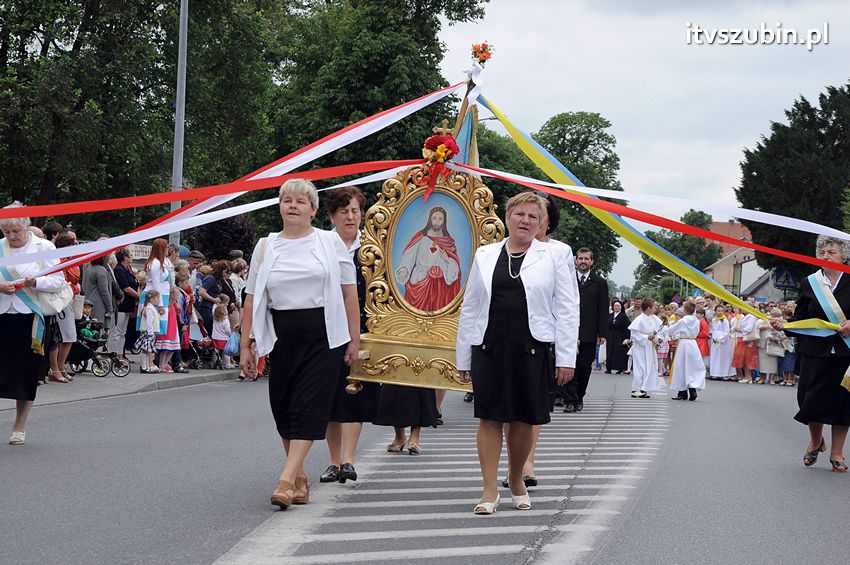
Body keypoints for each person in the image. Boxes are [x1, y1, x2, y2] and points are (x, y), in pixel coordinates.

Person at [239, 179, 360, 509]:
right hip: (280, 334)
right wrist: (245, 344)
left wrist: (354, 338)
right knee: (284, 407)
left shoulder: (329, 242)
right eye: (287, 200)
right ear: (280, 206)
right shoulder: (266, 246)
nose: (293, 205)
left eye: (300, 201)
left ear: (313, 209)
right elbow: (251, 299)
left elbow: (350, 293)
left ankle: (286, 479)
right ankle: (301, 478)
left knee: (309, 405)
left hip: (324, 333)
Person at [456, 192, 579, 515]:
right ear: (507, 217)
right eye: (519, 214)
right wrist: (462, 358)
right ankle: (488, 489)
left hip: (532, 347)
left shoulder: (553, 256)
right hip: (489, 345)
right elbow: (470, 307)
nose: (525, 220)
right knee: (489, 417)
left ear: (541, 224)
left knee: (523, 420)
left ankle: (515, 477)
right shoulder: (485, 254)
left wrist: (566, 358)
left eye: (532, 217)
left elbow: (567, 309)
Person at [772, 236, 850, 472]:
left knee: (842, 403)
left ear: (844, 256)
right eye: (822, 252)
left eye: (831, 252)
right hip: (814, 350)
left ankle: (837, 452)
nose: (826, 256)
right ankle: (816, 440)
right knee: (808, 399)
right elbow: (802, 317)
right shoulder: (810, 282)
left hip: (845, 352)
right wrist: (784, 324)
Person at [319, 186, 380, 485]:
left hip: (364, 328)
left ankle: (349, 459)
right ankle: (332, 460)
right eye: (344, 211)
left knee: (355, 393)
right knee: (330, 397)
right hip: (327, 327)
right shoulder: (321, 244)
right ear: (332, 215)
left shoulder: (373, 247)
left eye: (355, 211)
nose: (351, 216)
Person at [1, 204, 67, 444]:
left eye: (15, 231)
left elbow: (58, 281)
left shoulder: (45, 247)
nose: (11, 236)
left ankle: (19, 426)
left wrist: (35, 282)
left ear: (27, 226)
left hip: (30, 318)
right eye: (6, 231)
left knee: (25, 373)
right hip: (2, 314)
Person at [561, 247, 609, 412]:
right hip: (568, 331)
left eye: (586, 259)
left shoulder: (600, 283)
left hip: (589, 332)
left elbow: (603, 309)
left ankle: (579, 395)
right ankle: (569, 399)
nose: (583, 261)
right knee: (568, 364)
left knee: (584, 367)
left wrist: (602, 333)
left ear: (592, 262)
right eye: (580, 258)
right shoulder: (567, 279)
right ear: (575, 261)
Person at [395, 206, 461, 312]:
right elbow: (409, 257)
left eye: (440, 219)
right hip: (420, 279)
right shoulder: (420, 237)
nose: (437, 221)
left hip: (440, 287)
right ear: (430, 219)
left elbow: (456, 268)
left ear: (444, 221)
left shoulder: (448, 242)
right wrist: (404, 268)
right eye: (434, 218)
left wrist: (448, 260)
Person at [48, 229, 80, 383]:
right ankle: (55, 368)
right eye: (74, 243)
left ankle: (60, 366)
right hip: (60, 300)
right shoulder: (59, 259)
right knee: (58, 337)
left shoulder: (69, 260)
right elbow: (69, 279)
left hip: (67, 299)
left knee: (68, 336)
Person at [667, 301, 705, 401]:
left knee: (681, 367)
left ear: (685, 310)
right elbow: (696, 332)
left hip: (684, 344)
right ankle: (692, 390)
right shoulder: (696, 320)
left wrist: (669, 331)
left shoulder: (684, 320)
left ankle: (682, 392)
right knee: (691, 367)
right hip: (693, 343)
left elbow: (672, 330)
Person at [107, 248, 140, 358]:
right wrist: (138, 296)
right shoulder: (119, 270)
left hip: (129, 304)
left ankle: (121, 353)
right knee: (118, 330)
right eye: (130, 255)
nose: (132, 257)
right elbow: (126, 288)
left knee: (123, 331)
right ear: (125, 258)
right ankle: (115, 353)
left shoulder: (128, 268)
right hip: (122, 303)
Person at [137, 239, 172, 336]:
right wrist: (160, 304)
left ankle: (151, 349)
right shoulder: (155, 263)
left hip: (159, 295)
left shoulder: (162, 262)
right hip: (153, 296)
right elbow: (156, 284)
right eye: (167, 247)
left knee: (157, 327)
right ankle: (149, 350)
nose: (168, 249)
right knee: (151, 327)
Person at [628, 299, 661, 398]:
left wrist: (658, 339)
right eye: (653, 307)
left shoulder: (655, 318)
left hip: (650, 346)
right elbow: (634, 334)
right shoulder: (639, 319)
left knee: (649, 368)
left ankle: (644, 389)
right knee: (640, 367)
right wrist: (646, 337)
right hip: (641, 347)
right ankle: (636, 389)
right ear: (648, 308)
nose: (655, 309)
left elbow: (660, 331)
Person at [82, 256, 116, 331]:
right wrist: (110, 308)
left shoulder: (89, 268)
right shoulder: (101, 270)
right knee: (98, 331)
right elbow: (104, 292)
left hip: (88, 302)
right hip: (99, 305)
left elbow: (83, 286)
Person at [197, 260, 229, 337]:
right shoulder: (211, 279)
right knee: (209, 328)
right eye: (226, 272)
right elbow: (201, 292)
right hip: (207, 307)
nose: (226, 274)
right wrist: (213, 299)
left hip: (213, 307)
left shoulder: (218, 280)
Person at [136, 289, 162, 373]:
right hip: (148, 332)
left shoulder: (150, 308)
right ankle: (144, 367)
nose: (158, 300)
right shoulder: (149, 309)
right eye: (157, 298)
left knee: (147, 350)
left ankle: (146, 366)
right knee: (145, 350)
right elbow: (149, 322)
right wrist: (150, 332)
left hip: (148, 332)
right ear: (151, 299)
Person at [709, 304, 736, 380]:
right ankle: (715, 372)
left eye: (721, 311)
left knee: (723, 357)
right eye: (718, 311)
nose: (720, 312)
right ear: (715, 311)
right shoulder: (714, 320)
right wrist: (712, 334)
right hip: (715, 340)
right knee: (715, 356)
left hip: (723, 341)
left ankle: (724, 373)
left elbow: (726, 331)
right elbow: (713, 329)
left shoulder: (724, 320)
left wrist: (720, 338)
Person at [733, 307, 759, 384]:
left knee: (748, 357)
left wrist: (740, 330)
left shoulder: (751, 316)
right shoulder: (745, 316)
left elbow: (749, 328)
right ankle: (746, 376)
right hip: (743, 338)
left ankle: (748, 376)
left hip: (747, 339)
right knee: (743, 357)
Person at [211, 294, 235, 369]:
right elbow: (227, 330)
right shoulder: (225, 321)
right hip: (224, 338)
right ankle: (227, 363)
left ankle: (214, 363)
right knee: (226, 352)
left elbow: (215, 309)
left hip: (215, 337)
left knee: (215, 352)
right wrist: (230, 334)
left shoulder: (215, 319)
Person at [606, 300, 630, 374]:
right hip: (610, 336)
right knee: (609, 351)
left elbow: (626, 328)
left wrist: (627, 338)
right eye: (615, 306)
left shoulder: (623, 316)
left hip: (620, 336)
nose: (616, 307)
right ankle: (609, 368)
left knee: (619, 352)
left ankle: (620, 368)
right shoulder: (610, 315)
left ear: (620, 307)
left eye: (618, 306)